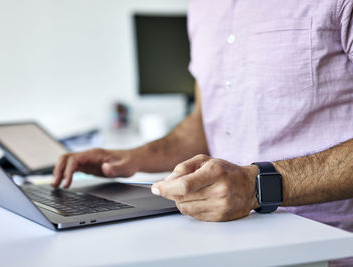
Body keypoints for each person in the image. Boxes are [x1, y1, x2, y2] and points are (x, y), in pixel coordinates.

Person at [53, 1, 353, 263]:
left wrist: (256, 186)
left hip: (327, 248)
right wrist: (131, 157)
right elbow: (205, 122)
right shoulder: (203, 7)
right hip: (225, 241)